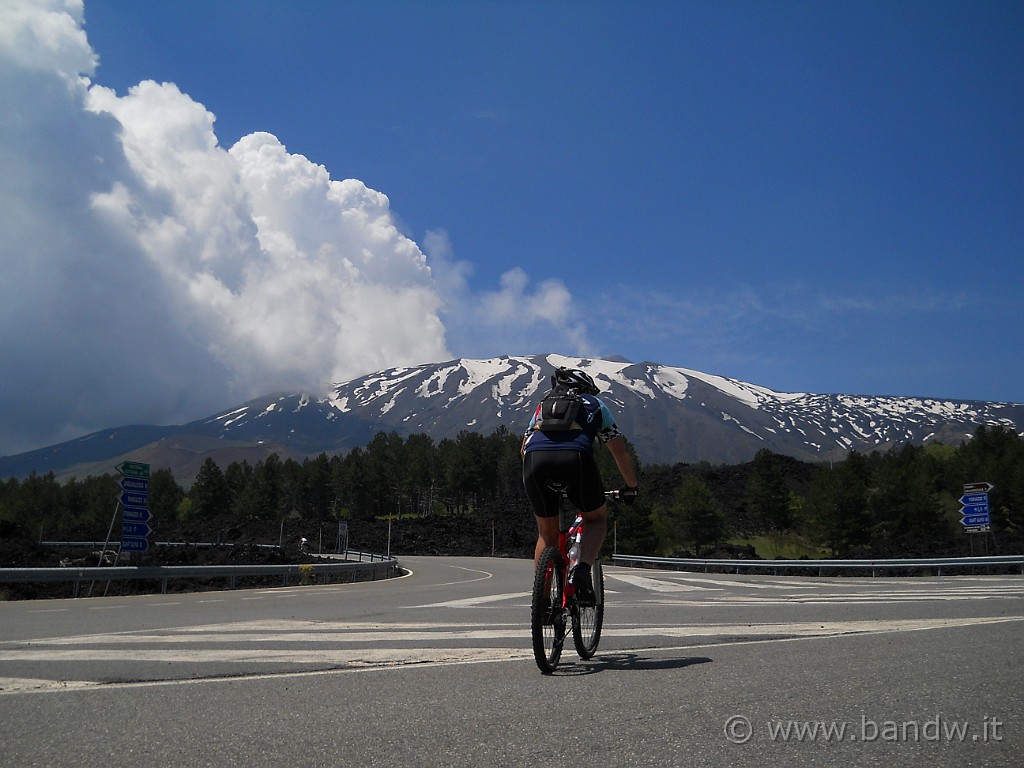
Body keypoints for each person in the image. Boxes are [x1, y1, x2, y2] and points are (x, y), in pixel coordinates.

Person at [521, 367, 639, 604]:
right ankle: (582, 570)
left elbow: (524, 447)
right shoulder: (594, 404)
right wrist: (631, 485)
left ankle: (541, 604)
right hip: (576, 460)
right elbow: (619, 451)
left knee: (547, 533)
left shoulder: (542, 406)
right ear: (585, 388)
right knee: (595, 518)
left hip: (534, 463)